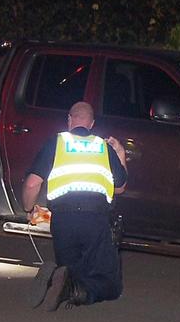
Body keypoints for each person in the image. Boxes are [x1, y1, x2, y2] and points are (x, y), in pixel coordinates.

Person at [23, 101, 127, 311]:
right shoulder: (103, 147)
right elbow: (120, 188)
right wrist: (121, 154)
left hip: (63, 222)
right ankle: (75, 291)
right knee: (110, 285)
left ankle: (62, 279)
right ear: (92, 123)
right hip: (95, 221)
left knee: (72, 269)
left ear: (69, 120)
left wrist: (29, 208)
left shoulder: (56, 142)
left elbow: (33, 182)